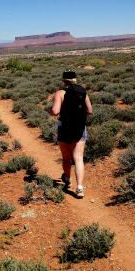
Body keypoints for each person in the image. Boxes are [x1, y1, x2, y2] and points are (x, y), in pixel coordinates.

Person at [50, 70, 92, 198]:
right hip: (79, 128)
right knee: (78, 158)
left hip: (65, 128)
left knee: (66, 158)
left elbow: (55, 111)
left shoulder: (60, 93)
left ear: (64, 80)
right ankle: (79, 188)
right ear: (75, 79)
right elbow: (89, 110)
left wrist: (51, 111)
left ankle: (67, 180)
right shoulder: (83, 92)